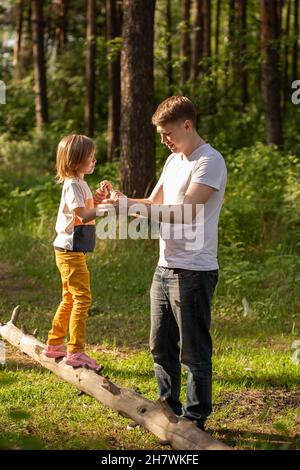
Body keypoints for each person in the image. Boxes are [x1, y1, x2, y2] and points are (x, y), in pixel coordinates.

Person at [98, 96, 227, 430]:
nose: (164, 141)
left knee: (193, 351)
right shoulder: (173, 162)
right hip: (164, 266)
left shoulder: (209, 161)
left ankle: (195, 419)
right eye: (160, 136)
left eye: (168, 134)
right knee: (159, 345)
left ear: (187, 124)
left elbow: (185, 212)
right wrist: (121, 203)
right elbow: (154, 203)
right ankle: (167, 409)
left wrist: (130, 207)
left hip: (194, 270)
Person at [43, 134, 111, 370]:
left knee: (70, 297)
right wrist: (107, 208)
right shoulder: (72, 184)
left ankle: (54, 344)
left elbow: (87, 207)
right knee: (82, 298)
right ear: (74, 161)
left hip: (70, 249)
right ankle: (76, 351)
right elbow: (82, 215)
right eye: (90, 157)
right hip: (70, 249)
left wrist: (100, 198)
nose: (94, 160)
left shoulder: (79, 183)